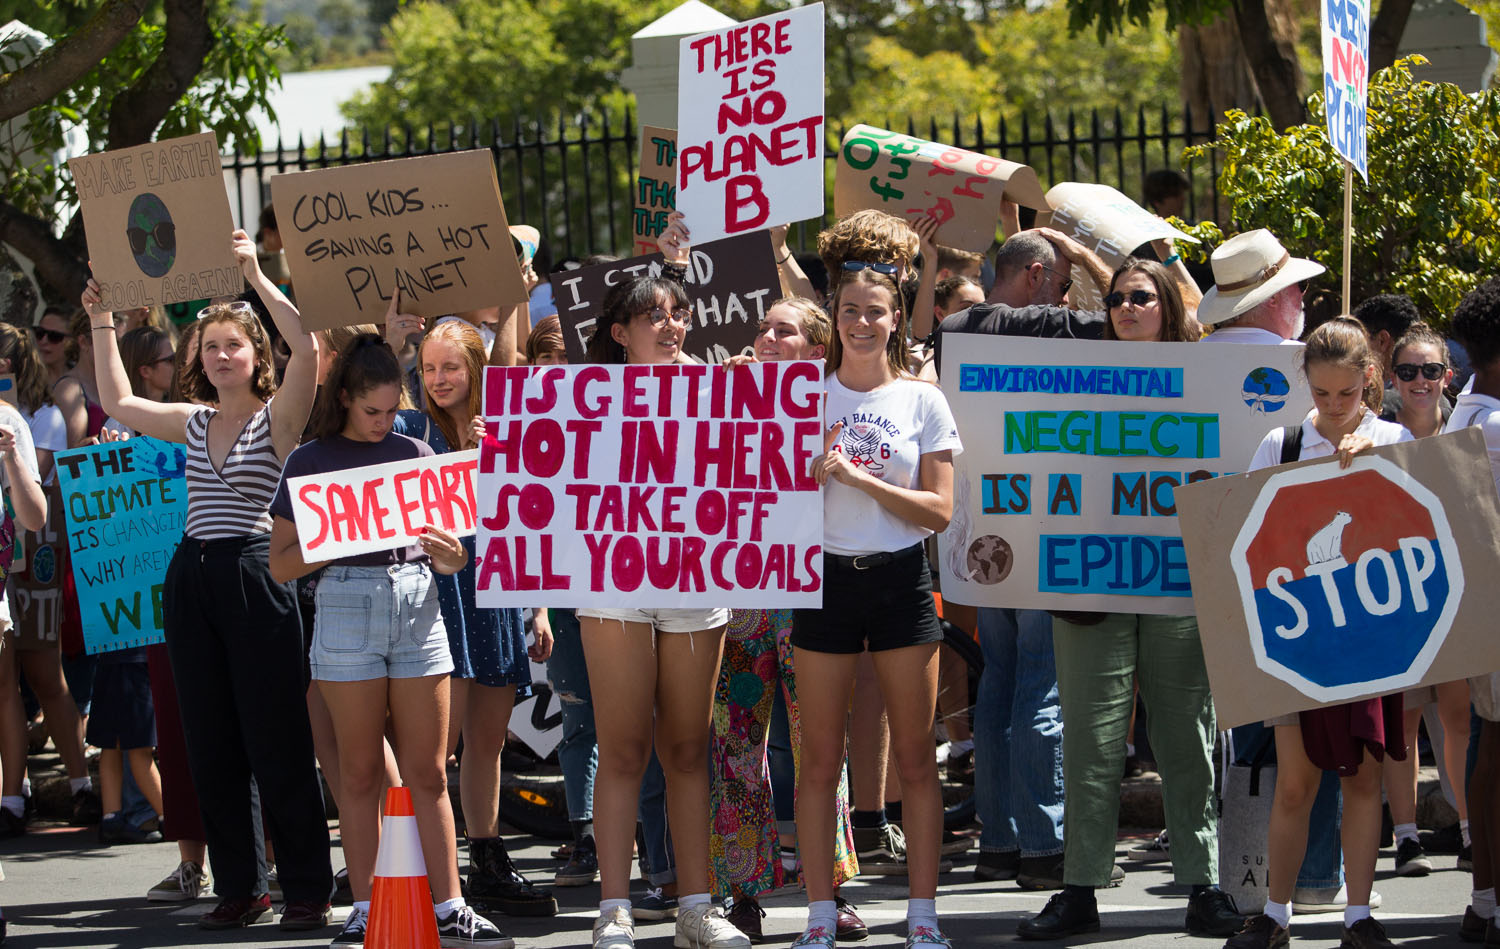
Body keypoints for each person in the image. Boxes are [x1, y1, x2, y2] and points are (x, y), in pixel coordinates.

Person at [82, 229, 334, 934]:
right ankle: (241, 885)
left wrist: (255, 273)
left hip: (256, 577)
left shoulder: (278, 417)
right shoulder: (191, 422)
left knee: (277, 738)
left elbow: (309, 347)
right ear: (198, 356)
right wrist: (102, 314)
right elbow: (117, 398)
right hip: (190, 577)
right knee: (210, 741)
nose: (222, 355)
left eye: (235, 345)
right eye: (211, 345)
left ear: (256, 357)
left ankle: (308, 888)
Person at [1018, 259, 1242, 939]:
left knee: (1186, 736)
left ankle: (1202, 883)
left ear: (1167, 304)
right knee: (1090, 740)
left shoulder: (1204, 376)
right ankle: (1080, 885)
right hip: (1092, 583)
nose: (1125, 307)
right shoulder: (1076, 377)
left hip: (1178, 583)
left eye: (1139, 297)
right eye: (1115, 298)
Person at [268, 335, 509, 948]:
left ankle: (450, 903)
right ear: (345, 399)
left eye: (388, 412)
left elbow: (451, 549)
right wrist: (340, 537)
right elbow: (279, 565)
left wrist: (454, 557)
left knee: (429, 771)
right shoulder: (309, 460)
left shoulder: (415, 448)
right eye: (370, 412)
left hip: (416, 601)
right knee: (358, 772)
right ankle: (367, 905)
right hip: (345, 604)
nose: (381, 424)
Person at [578, 246, 749, 949]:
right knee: (622, 749)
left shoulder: (720, 389)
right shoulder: (580, 398)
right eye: (654, 315)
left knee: (686, 747)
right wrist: (511, 451)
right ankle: (614, 907)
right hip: (612, 585)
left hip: (696, 580)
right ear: (620, 330)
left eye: (679, 314)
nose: (671, 325)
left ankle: (695, 907)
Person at [1224, 317, 1411, 949]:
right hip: (1298, 635)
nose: (1334, 407)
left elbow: (1420, 529)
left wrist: (1377, 465)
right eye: (1323, 394)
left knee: (1361, 776)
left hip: (1370, 631)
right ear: (1306, 383)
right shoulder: (1281, 442)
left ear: (1369, 380)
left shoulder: (1391, 436)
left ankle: (1358, 916)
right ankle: (1274, 915)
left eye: (1346, 395)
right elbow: (1245, 534)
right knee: (1296, 781)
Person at [790, 263, 960, 949]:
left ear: (897, 319)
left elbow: (940, 510)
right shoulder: (804, 397)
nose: (862, 322)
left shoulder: (922, 401)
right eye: (851, 310)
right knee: (819, 760)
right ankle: (821, 914)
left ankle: (923, 915)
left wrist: (859, 478)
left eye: (876, 311)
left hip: (899, 583)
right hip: (823, 582)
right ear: (835, 317)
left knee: (916, 758)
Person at [702, 296, 864, 943]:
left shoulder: (838, 402)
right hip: (741, 597)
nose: (767, 337)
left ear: (815, 345)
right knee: (736, 742)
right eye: (763, 328)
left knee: (820, 744)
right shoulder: (728, 396)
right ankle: (743, 889)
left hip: (812, 596)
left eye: (784, 329)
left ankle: (833, 888)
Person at [393, 316, 557, 918]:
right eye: (429, 368)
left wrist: (537, 606)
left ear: (475, 370)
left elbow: (529, 518)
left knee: (488, 740)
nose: (439, 379)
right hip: (439, 600)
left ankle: (486, 857)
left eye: (451, 367)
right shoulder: (410, 430)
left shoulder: (505, 428)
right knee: (438, 748)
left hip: (498, 596)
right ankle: (417, 863)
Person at [1377, 322, 1469, 877]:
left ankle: (1467, 828)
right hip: (1397, 597)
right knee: (1403, 722)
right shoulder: (1377, 436)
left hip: (1457, 592)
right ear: (1393, 377)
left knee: (1459, 717)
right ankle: (1406, 835)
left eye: (1430, 371)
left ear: (1446, 376)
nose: (1419, 380)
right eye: (1407, 371)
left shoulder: (1471, 432)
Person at [0, 322, 99, 832]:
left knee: (45, 672)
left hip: (33, 551)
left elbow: (33, 483)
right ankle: (13, 793)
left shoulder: (43, 417)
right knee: (6, 680)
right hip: (6, 557)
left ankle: (79, 781)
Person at [1445, 279, 1500, 943]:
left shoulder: (1463, 414)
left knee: (1491, 746)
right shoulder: (1489, 425)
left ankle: (1483, 899)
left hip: (1477, 604)